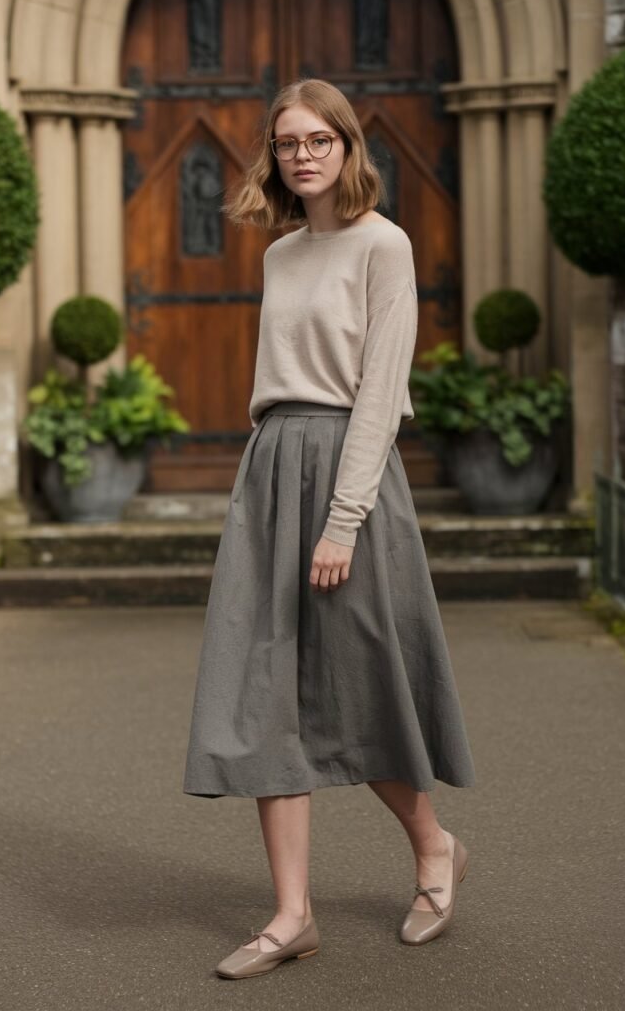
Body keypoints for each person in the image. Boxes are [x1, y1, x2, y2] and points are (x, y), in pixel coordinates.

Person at [182, 77, 476, 981]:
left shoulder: (384, 246)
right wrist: (272, 485)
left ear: (350, 147)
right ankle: (291, 914)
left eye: (318, 140)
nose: (301, 155)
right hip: (274, 466)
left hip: (351, 471)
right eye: (285, 143)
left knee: (360, 684)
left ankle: (432, 847)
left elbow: (382, 394)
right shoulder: (279, 255)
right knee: (262, 685)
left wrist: (341, 521)